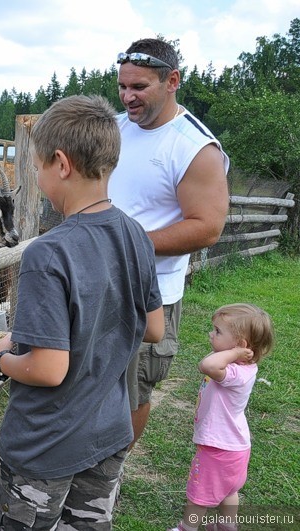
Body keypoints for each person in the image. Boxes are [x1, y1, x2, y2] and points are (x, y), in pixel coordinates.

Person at [0, 94, 164, 530]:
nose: (39, 178)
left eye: (38, 167)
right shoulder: (136, 233)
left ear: (60, 163)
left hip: (46, 446)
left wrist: (0, 357)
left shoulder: (49, 253)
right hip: (109, 433)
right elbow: (153, 327)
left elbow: (48, 370)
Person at [109, 38, 231, 448]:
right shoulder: (114, 128)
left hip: (149, 297)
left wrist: (126, 242)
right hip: (99, 282)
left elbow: (207, 228)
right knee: (89, 380)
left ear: (172, 81)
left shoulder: (194, 147)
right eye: (123, 86)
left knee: (133, 390)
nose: (128, 97)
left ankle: (111, 474)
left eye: (139, 87)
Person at [171, 303, 275, 531]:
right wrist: (232, 352)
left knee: (198, 496)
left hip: (218, 448)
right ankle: (227, 525)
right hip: (236, 446)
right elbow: (214, 358)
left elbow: (205, 364)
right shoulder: (246, 367)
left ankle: (186, 528)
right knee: (230, 491)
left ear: (240, 346)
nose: (211, 334)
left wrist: (233, 353)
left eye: (217, 331)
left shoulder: (235, 373)